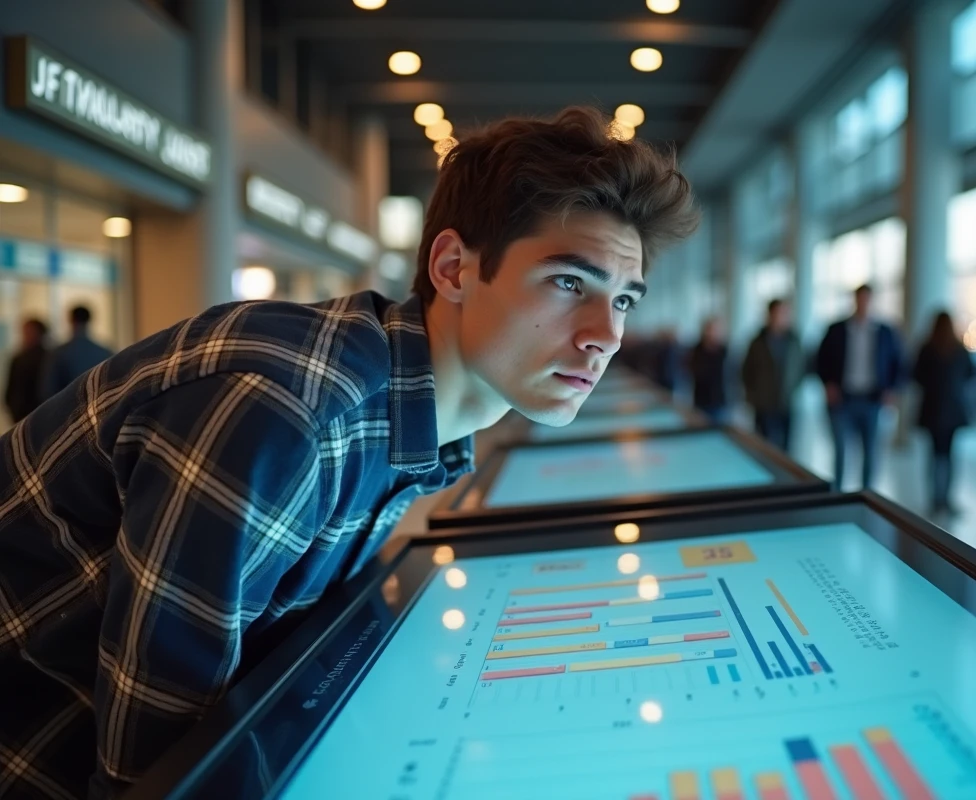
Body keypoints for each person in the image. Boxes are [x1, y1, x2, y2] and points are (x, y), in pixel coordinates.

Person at [0, 106, 698, 799]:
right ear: (453, 268)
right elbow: (159, 772)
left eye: (624, 301)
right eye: (570, 283)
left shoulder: (408, 425)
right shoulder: (290, 407)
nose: (606, 335)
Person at [815, 284, 904, 491]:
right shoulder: (837, 330)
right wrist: (828, 384)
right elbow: (820, 360)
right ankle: (837, 492)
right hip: (843, 398)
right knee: (840, 450)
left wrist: (891, 389)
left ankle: (867, 494)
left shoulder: (885, 332)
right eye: (860, 299)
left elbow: (899, 363)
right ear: (854, 300)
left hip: (872, 399)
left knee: (871, 451)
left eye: (867, 300)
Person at [912, 312, 976, 515]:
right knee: (948, 457)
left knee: (934, 456)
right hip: (953, 410)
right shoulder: (958, 349)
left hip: (933, 409)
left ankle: (935, 499)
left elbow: (916, 376)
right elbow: (971, 374)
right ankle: (946, 499)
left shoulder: (927, 348)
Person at [741, 298, 804, 451]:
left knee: (786, 446)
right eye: (778, 313)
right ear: (770, 315)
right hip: (764, 403)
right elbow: (746, 370)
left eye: (785, 313)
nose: (781, 317)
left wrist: (794, 389)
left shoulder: (794, 340)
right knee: (764, 445)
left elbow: (801, 368)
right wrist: (752, 395)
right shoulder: (758, 341)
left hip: (786, 401)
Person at [41, 305, 115, 401]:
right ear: (89, 320)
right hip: (100, 406)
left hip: (68, 406)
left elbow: (48, 390)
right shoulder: (105, 352)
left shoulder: (59, 353)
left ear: (71, 320)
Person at [4, 318, 49, 424]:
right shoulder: (18, 358)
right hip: (19, 410)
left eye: (30, 332)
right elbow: (11, 385)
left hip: (40, 409)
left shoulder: (48, 357)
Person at [689, 316, 730, 422]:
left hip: (720, 400)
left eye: (716, 330)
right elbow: (693, 371)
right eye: (710, 329)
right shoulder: (697, 350)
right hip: (701, 400)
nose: (713, 333)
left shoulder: (725, 351)